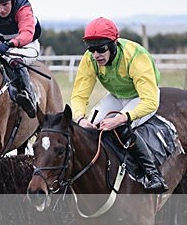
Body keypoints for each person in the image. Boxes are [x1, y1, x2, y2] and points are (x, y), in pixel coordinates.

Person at [71, 17, 168, 193]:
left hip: (142, 97)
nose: (96, 55)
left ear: (114, 44)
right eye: (92, 49)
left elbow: (150, 101)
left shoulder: (136, 57)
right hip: (117, 96)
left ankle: (154, 175)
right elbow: (79, 95)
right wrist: (80, 119)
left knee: (120, 127)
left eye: (101, 49)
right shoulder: (90, 59)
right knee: (89, 130)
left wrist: (120, 119)